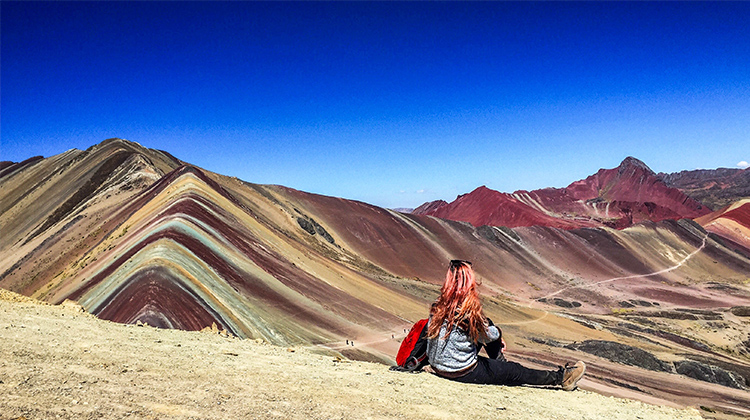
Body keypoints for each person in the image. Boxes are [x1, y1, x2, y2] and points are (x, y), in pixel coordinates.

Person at [425, 259, 586, 390]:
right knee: (516, 370)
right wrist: (499, 334)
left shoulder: (438, 306)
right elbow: (490, 335)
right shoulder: (467, 314)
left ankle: (501, 367)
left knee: (487, 326)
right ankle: (562, 378)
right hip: (460, 371)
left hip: (438, 365)